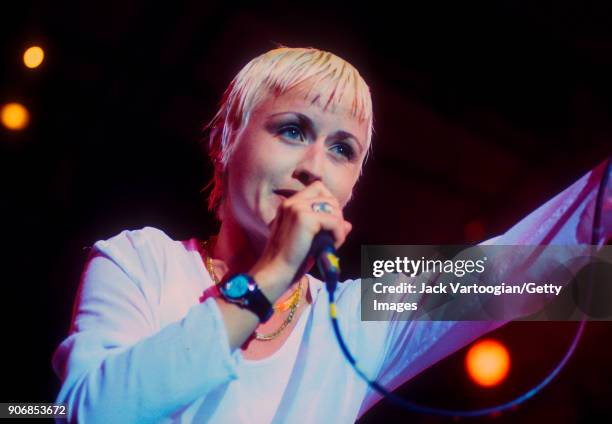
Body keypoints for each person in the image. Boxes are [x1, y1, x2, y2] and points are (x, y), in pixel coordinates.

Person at [52, 46, 611, 423]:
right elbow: (86, 410)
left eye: (342, 150)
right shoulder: (141, 260)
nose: (315, 166)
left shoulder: (357, 313)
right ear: (225, 143)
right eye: (292, 130)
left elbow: (513, 271)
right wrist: (268, 276)